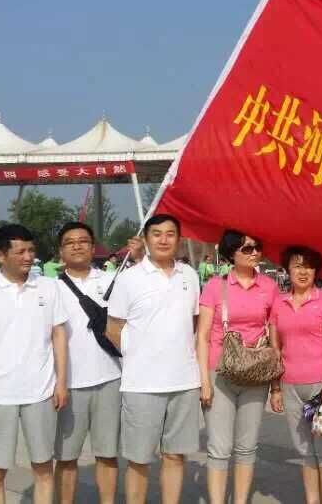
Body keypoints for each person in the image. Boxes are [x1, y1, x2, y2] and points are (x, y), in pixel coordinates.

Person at [0, 224, 69, 504]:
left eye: (31, 250)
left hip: (41, 393)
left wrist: (61, 383)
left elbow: (58, 335)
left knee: (43, 468)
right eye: (20, 251)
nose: (28, 257)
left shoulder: (49, 287)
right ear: (0, 255)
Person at [106, 214, 201, 504]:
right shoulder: (128, 279)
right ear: (146, 239)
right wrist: (140, 354)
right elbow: (113, 329)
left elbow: (193, 323)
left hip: (184, 382)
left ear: (179, 240)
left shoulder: (189, 275)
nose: (163, 239)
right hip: (142, 384)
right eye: (156, 234)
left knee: (175, 455)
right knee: (138, 459)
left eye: (170, 234)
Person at [53, 222, 141, 504]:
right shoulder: (50, 288)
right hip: (68, 384)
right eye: (70, 242)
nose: (77, 246)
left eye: (83, 241)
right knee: (66, 457)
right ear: (60, 251)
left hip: (110, 379)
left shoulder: (114, 280)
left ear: (93, 248)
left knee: (107, 454)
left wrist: (140, 256)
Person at [196, 229, 278, 504]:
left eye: (257, 247)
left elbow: (274, 335)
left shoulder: (269, 287)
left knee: (247, 446)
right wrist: (204, 381)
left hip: (255, 373)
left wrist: (276, 384)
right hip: (219, 373)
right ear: (232, 253)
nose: (255, 253)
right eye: (247, 248)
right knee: (219, 447)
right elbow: (202, 336)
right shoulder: (214, 286)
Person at [268, 245, 322, 504]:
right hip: (290, 387)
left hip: (319, 387)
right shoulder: (278, 304)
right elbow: (275, 349)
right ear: (287, 269)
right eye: (297, 265)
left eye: (308, 266)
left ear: (316, 271)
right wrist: (275, 388)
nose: (303, 271)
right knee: (304, 450)